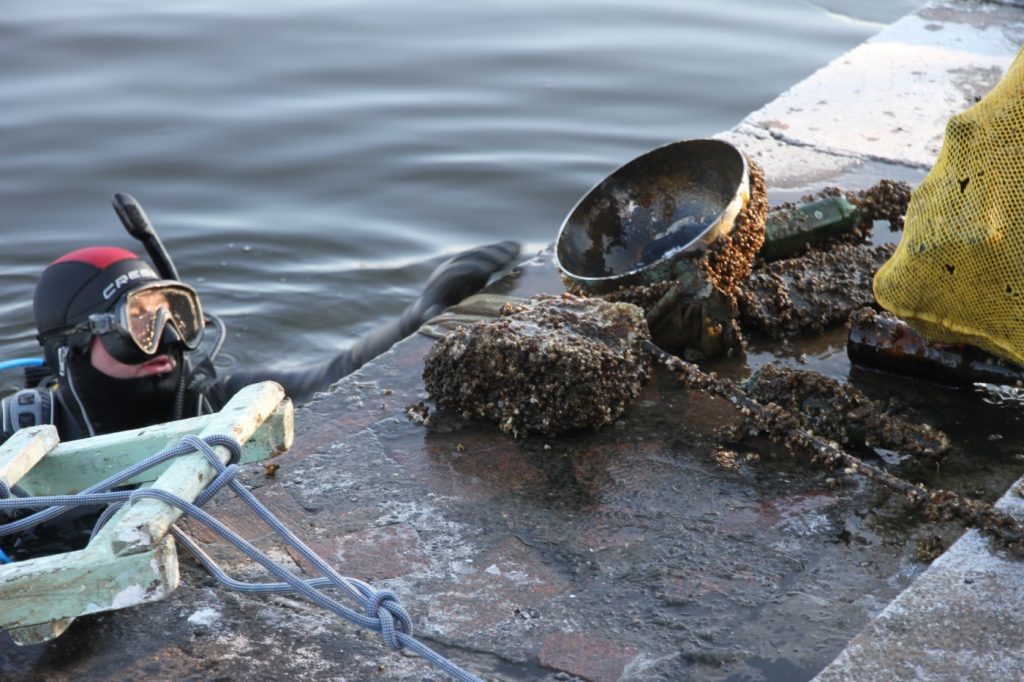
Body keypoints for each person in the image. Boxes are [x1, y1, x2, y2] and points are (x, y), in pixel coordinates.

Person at [5, 240, 520, 441]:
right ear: (70, 346)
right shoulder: (26, 430)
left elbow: (331, 378)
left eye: (173, 317)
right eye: (135, 326)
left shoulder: (216, 400)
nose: (163, 342)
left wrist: (420, 315)